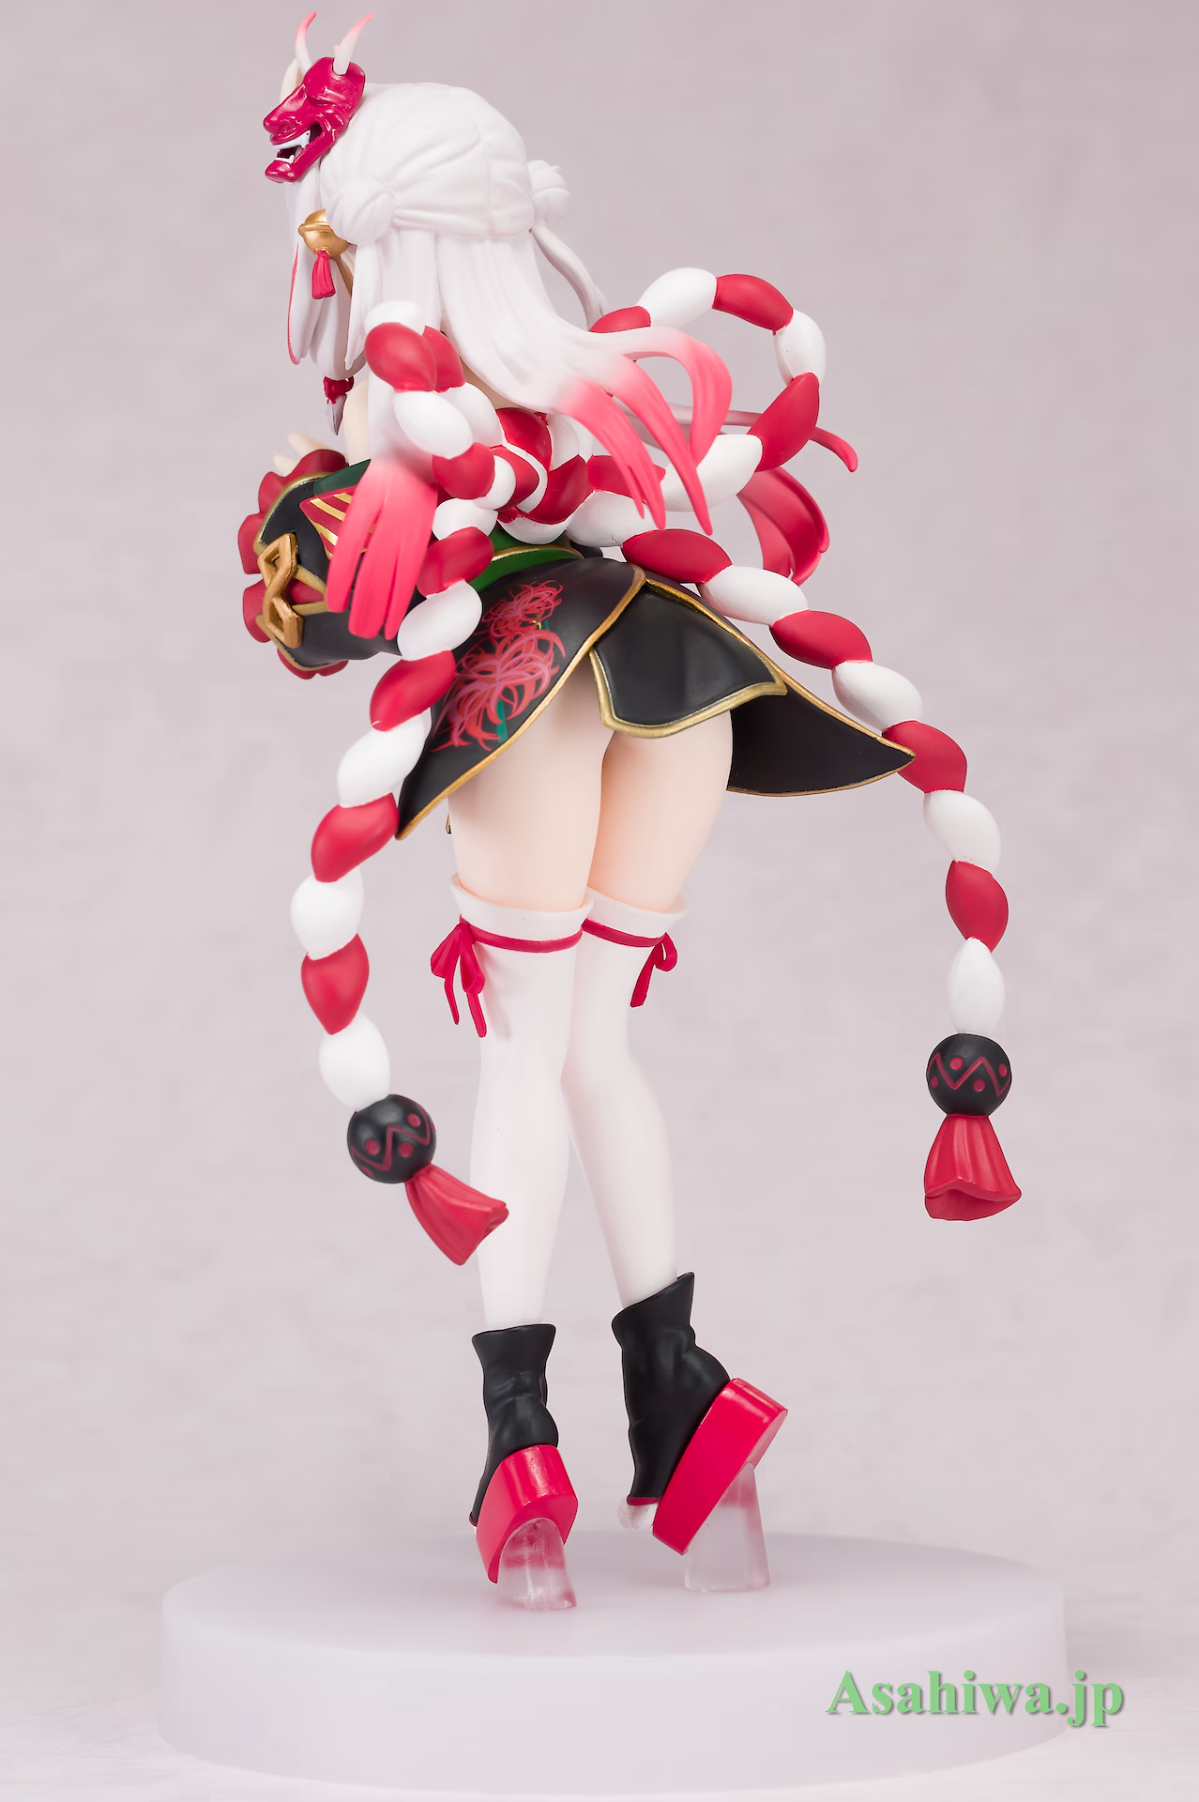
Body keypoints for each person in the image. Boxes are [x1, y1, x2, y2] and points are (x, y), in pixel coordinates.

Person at [240, 13, 1020, 1605]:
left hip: (535, 693)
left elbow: (333, 622)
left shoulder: (402, 406)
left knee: (526, 1051)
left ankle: (519, 1443)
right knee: (595, 1044)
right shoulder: (577, 371)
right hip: (682, 683)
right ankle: (684, 1411)